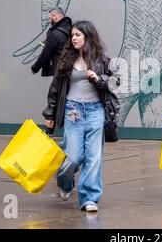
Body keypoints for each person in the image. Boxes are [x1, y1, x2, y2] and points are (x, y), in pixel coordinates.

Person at [42, 20, 119, 213]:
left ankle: (89, 199)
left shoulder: (102, 58)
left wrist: (100, 79)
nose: (74, 38)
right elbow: (55, 89)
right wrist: (50, 114)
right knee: (73, 157)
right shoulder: (66, 58)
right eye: (72, 35)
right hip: (72, 111)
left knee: (94, 158)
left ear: (88, 37)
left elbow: (116, 81)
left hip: (95, 111)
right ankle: (65, 182)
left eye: (78, 35)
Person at [31, 7, 72, 77]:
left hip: (60, 73)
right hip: (72, 70)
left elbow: (45, 53)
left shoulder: (54, 34)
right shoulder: (72, 30)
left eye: (50, 18)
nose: (49, 21)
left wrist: (34, 68)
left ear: (55, 17)